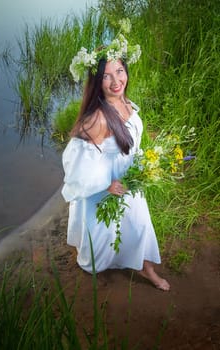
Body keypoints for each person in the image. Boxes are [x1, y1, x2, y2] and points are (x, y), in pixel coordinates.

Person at [61, 29, 170, 291]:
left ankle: (148, 270)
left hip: (131, 180)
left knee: (140, 225)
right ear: (97, 82)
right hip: (112, 184)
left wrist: (145, 164)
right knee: (101, 242)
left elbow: (130, 144)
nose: (115, 81)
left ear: (126, 71)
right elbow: (75, 160)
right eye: (106, 76)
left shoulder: (127, 104)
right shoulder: (98, 118)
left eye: (119, 71)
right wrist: (106, 184)